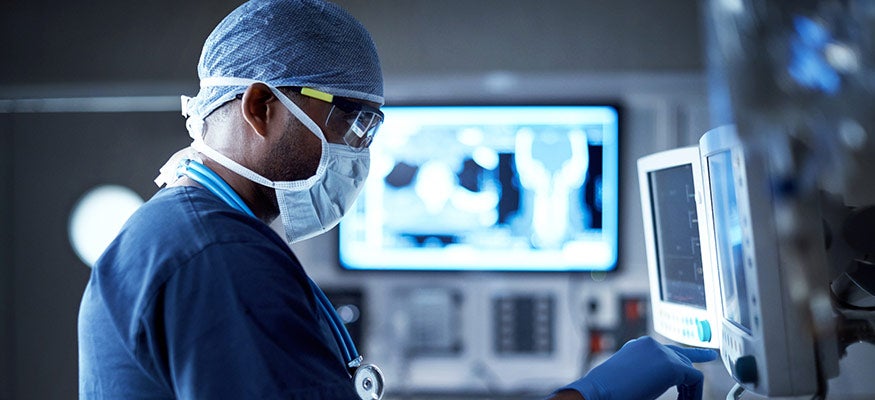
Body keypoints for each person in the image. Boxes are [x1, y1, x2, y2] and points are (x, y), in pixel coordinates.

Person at [77, 0, 716, 399]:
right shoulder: (218, 257)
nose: (362, 152)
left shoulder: (179, 233)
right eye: (353, 121)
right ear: (262, 105)